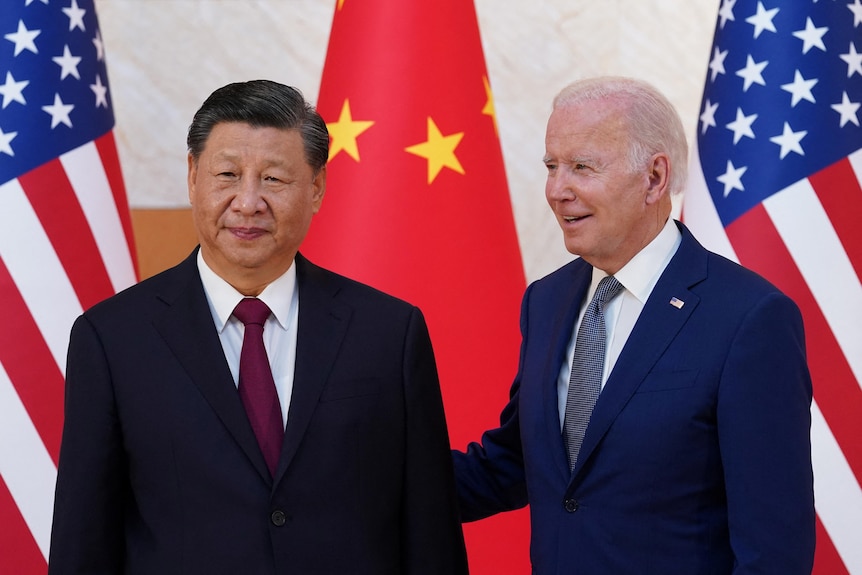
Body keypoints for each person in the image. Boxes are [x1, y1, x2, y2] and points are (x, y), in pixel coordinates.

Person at [49, 80, 468, 575]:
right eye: (227, 174)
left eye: (273, 179)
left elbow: (430, 531)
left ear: (316, 189)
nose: (248, 203)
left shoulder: (389, 333)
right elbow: (84, 540)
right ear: (192, 177)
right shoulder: (112, 338)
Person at [453, 76, 815, 574]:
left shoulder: (749, 319)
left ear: (654, 178)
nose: (558, 190)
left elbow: (773, 551)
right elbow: (513, 464)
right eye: (552, 167)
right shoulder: (546, 300)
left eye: (582, 167)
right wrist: (358, 462)